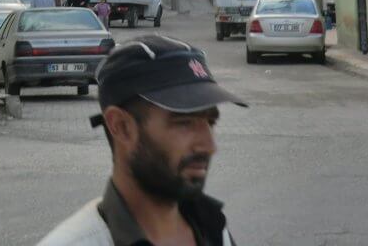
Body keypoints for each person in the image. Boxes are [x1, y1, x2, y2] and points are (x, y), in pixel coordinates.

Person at [38, 35, 247, 246]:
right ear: (121, 127)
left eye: (210, 122)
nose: (209, 146)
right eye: (184, 123)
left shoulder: (213, 230)